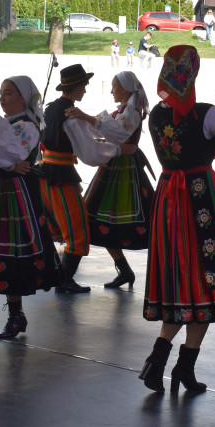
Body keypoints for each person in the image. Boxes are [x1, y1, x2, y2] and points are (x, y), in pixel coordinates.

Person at [139, 45, 215, 395]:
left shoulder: (155, 115)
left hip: (169, 196)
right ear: (194, 73)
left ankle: (157, 361)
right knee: (207, 280)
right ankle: (183, 368)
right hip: (201, 198)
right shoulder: (207, 113)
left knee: (177, 278)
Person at [0, 76, 63, 339]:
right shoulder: (2, 124)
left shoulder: (28, 126)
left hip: (18, 194)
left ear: (23, 98)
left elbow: (9, 151)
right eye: (1, 93)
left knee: (14, 253)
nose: (2, 98)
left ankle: (16, 315)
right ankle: (12, 314)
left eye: (8, 93)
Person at [65, 71, 154, 289]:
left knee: (107, 220)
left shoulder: (131, 112)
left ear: (124, 88)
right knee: (99, 221)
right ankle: (124, 270)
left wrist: (85, 117)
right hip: (113, 164)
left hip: (125, 169)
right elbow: (103, 129)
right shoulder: (122, 111)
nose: (112, 90)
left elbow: (117, 133)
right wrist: (82, 121)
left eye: (115, 86)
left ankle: (152, 272)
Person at [40, 64, 108, 294]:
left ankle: (59, 275)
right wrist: (116, 150)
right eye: (83, 86)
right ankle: (64, 279)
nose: (85, 91)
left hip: (47, 172)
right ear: (76, 87)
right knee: (77, 228)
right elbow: (87, 151)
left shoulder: (51, 108)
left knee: (57, 226)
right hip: (60, 175)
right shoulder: (70, 113)